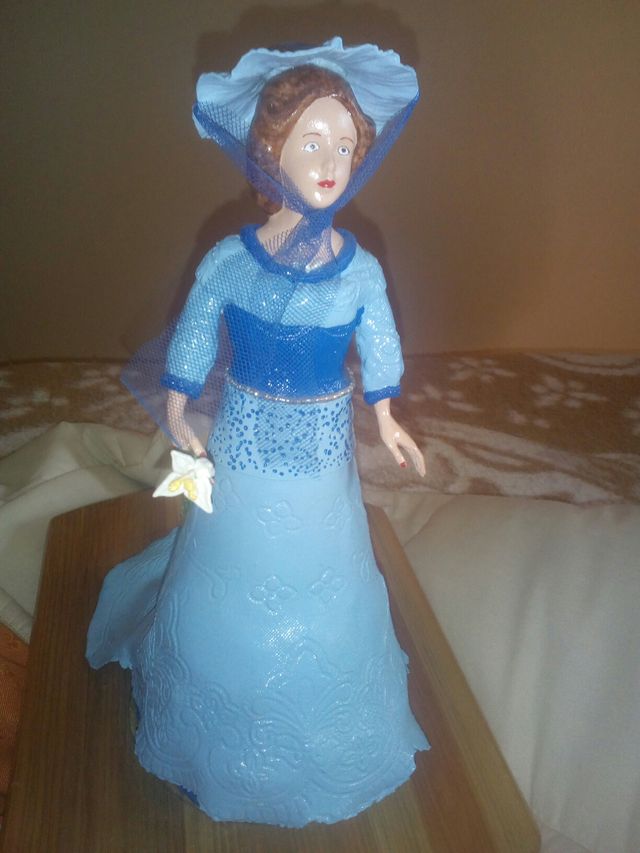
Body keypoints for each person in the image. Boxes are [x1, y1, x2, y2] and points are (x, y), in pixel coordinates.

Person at [87, 38, 429, 828]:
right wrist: (179, 407)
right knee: (231, 557)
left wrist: (387, 413)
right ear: (271, 151)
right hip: (242, 438)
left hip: (322, 448)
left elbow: (379, 340)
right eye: (312, 141)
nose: (331, 161)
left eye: (344, 144)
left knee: (325, 557)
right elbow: (194, 333)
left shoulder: (359, 269)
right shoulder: (229, 262)